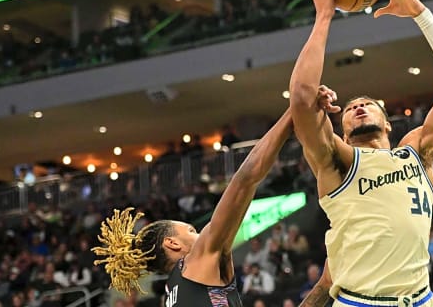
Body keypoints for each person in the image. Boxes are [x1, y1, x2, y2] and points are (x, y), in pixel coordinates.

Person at [291, 0, 433, 304]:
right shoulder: (340, 162)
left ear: (389, 122)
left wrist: (420, 13)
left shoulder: (417, 152)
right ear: (344, 133)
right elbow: (300, 100)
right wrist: (324, 14)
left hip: (421, 299)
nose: (358, 108)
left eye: (367, 104)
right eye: (350, 109)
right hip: (361, 301)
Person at [91, 109, 296, 306]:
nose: (200, 233)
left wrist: (321, 287)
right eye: (192, 230)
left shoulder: (171, 294)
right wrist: (293, 112)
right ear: (172, 243)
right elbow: (244, 180)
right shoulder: (193, 262)